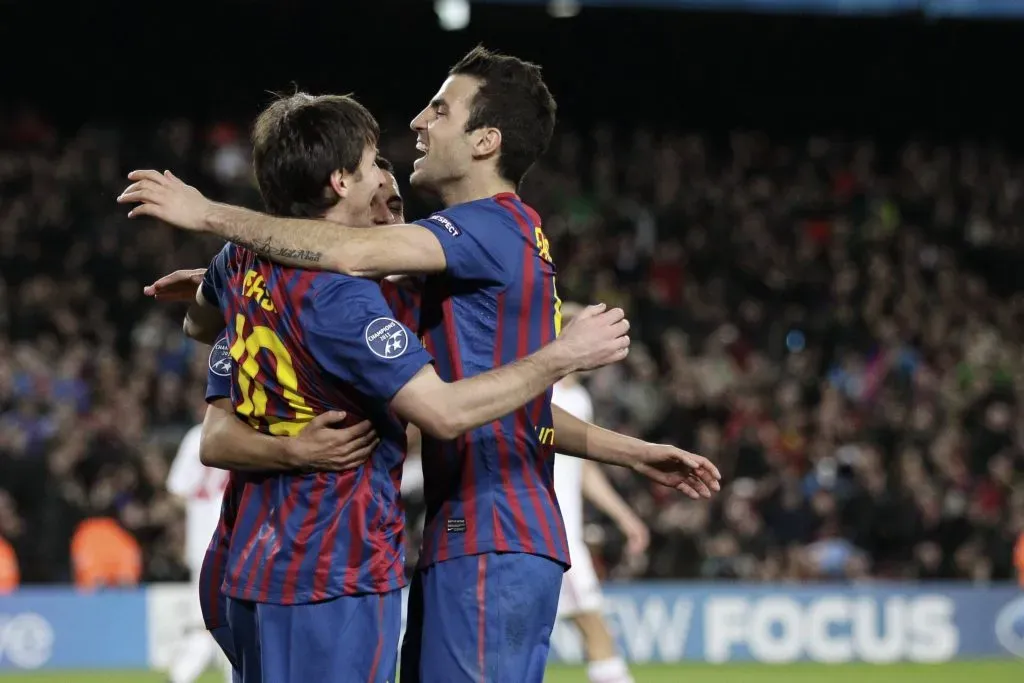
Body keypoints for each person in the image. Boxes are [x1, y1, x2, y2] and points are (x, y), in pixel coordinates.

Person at [119, 50, 720, 683]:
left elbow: (354, 298)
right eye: (377, 164)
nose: (416, 126)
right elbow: (472, 396)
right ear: (341, 183)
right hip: (397, 547)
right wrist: (620, 441)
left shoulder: (482, 231)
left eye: (439, 109)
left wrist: (220, 245)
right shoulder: (393, 279)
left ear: (486, 140)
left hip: (450, 539)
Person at [552, 304, 649, 683]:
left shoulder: (578, 397)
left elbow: (584, 470)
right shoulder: (545, 390)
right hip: (553, 534)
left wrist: (626, 517)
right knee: (595, 629)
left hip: (565, 534)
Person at [165, 399, 232, 683]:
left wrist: (195, 511)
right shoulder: (245, 432)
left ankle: (181, 675)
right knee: (231, 619)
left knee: (205, 620)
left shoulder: (196, 435)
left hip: (202, 544)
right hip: (235, 540)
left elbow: (176, 491)